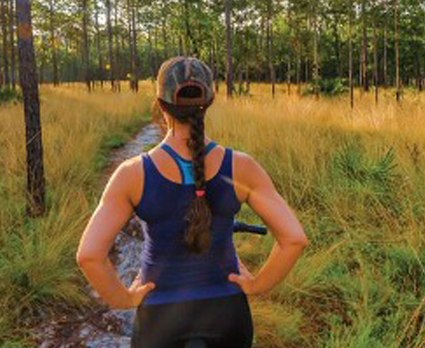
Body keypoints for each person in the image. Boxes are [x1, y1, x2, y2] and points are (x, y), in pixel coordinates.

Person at [76, 56, 308, 348]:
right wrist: (257, 285)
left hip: (160, 321)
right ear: (210, 100)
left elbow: (89, 256)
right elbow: (294, 240)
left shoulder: (132, 174)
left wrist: (123, 298)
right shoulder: (242, 167)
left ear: (160, 105)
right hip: (228, 316)